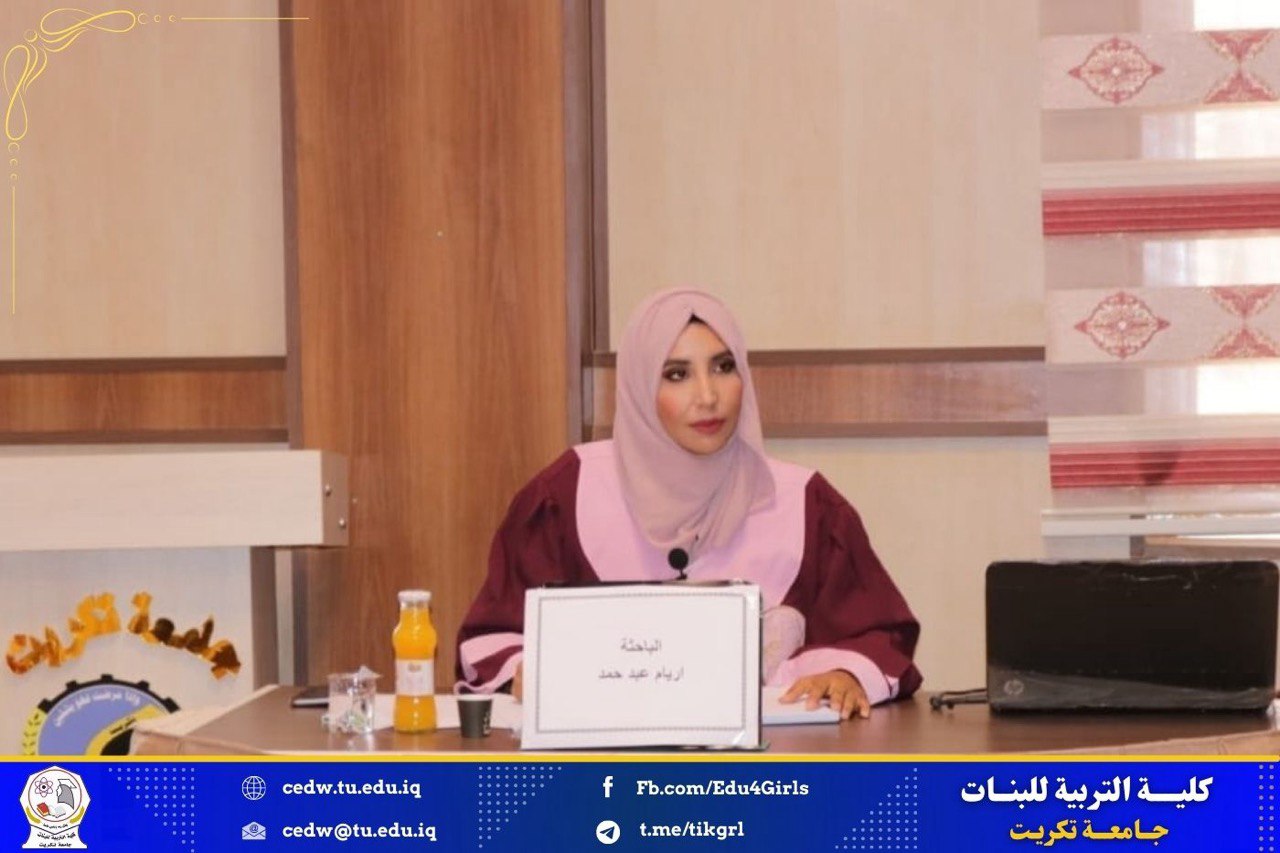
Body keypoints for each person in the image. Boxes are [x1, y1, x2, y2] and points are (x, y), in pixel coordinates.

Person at [456, 288, 921, 718]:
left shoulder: (808, 505)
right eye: (677, 374)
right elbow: (495, 636)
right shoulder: (566, 494)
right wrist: (526, 671)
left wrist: (843, 675)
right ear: (639, 387)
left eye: (723, 367)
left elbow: (877, 634)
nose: (708, 396)